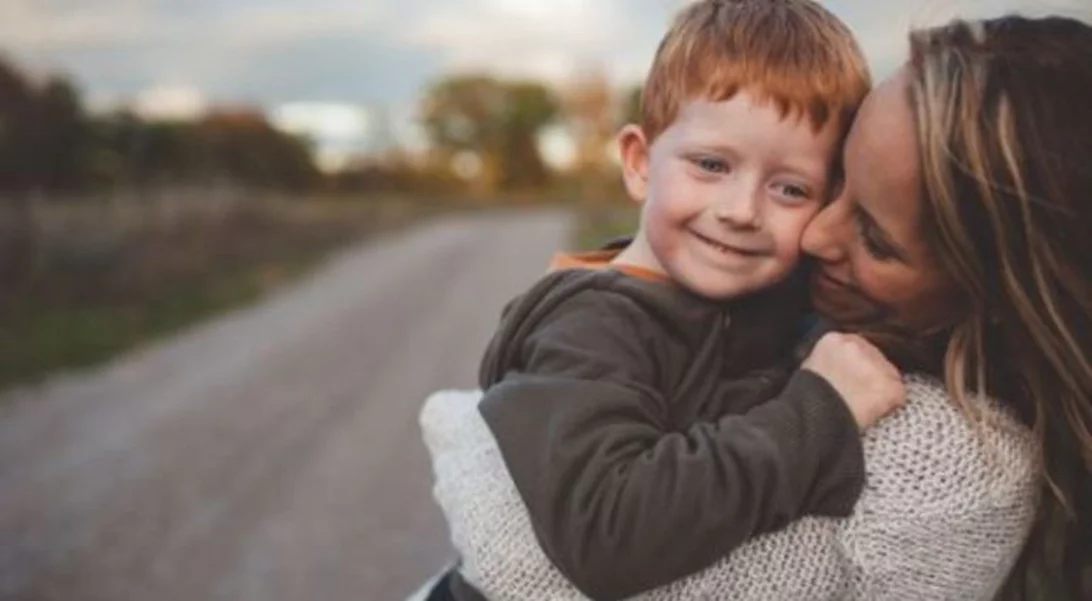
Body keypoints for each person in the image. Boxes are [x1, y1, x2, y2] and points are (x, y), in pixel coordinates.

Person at [419, 13, 1092, 601]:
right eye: (711, 165)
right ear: (638, 160)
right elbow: (603, 530)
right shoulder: (596, 325)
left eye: (795, 188)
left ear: (995, 292)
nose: (747, 214)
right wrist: (817, 411)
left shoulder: (962, 459)